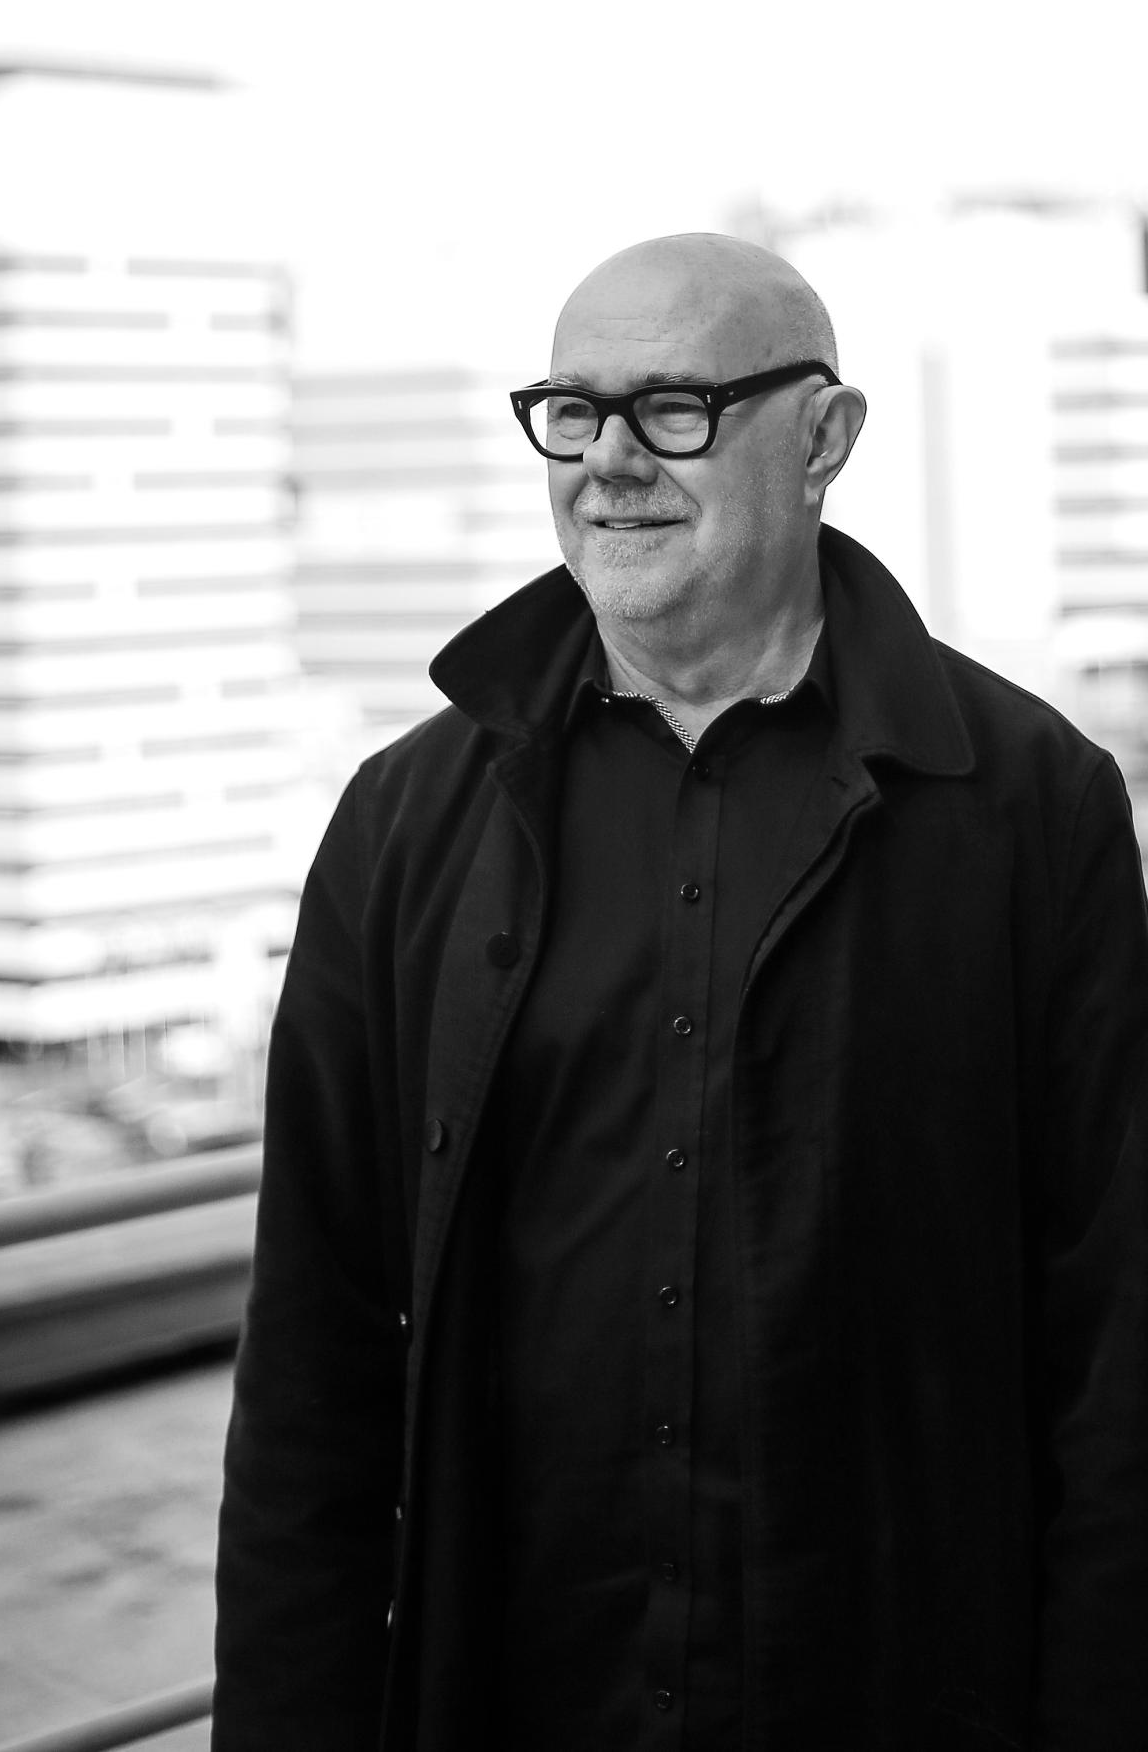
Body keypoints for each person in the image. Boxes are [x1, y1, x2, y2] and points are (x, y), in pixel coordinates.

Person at [212, 234, 1148, 1751]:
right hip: (514, 1704)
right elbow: (314, 1357)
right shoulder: (404, 823)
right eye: (572, 412)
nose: (610, 461)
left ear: (825, 438)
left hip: (896, 1696)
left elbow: (1118, 1346)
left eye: (675, 409)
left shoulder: (1032, 806)